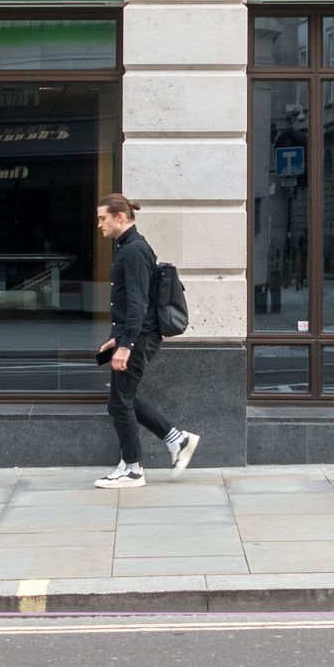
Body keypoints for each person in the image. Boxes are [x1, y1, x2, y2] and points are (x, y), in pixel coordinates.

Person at [93, 193, 200, 489]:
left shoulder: (135, 250)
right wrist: (117, 338)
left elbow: (139, 303)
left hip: (140, 339)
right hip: (134, 336)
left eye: (103, 218)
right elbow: (131, 301)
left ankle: (132, 469)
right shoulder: (128, 247)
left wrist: (126, 345)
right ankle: (177, 439)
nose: (99, 224)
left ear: (119, 217)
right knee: (121, 400)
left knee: (119, 403)